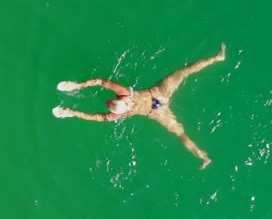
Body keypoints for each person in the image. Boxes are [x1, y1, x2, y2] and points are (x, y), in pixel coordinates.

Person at [52, 43, 226, 169]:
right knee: (184, 72)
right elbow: (100, 82)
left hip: (156, 109)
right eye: (110, 103)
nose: (107, 102)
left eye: (109, 103)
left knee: (180, 133)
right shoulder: (125, 95)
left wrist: (72, 111)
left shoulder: (120, 111)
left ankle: (202, 156)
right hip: (159, 95)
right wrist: (77, 88)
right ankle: (218, 57)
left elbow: (96, 116)